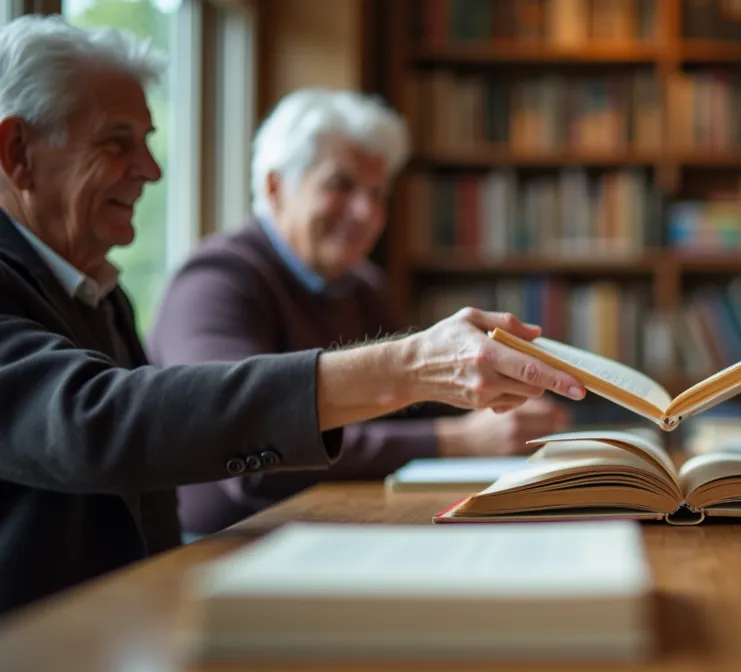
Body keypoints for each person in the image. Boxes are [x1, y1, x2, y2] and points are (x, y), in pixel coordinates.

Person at [0, 15, 583, 616]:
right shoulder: (214, 280)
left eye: (379, 195)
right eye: (117, 142)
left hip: (168, 597)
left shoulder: (95, 286)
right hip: (162, 589)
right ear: (17, 152)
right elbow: (109, 422)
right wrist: (423, 385)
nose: (152, 169)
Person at [148, 89, 571, 536]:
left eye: (377, 193)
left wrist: (502, 410)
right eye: (340, 185)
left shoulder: (363, 286)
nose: (366, 213)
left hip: (334, 528)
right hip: (221, 551)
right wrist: (457, 440)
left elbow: (414, 409)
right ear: (275, 187)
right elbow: (251, 451)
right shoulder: (214, 283)